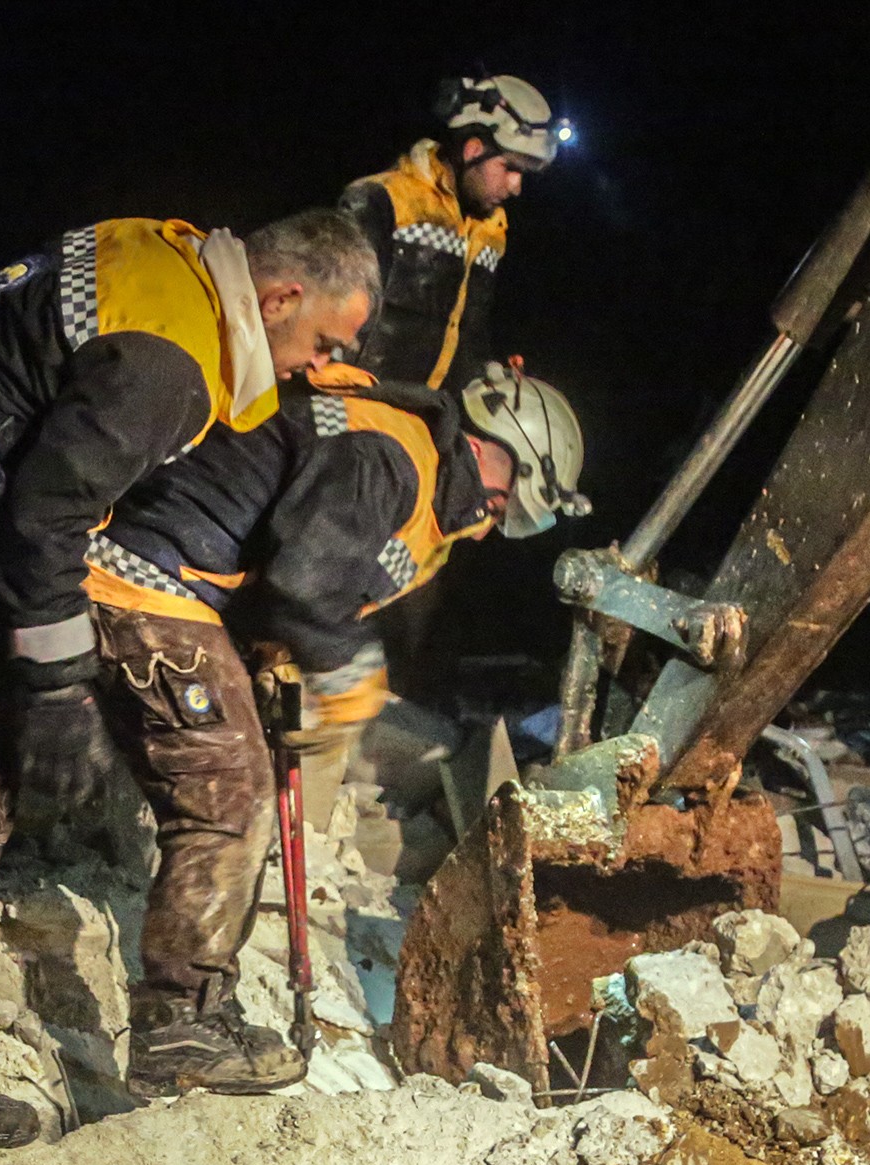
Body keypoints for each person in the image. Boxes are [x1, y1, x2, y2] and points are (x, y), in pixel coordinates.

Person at [0, 207, 376, 1146]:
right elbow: (48, 515)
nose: (321, 366)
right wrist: (56, 682)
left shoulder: (163, 261)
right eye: (324, 340)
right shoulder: (175, 358)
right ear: (279, 297)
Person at [74, 360, 574, 1097]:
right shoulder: (393, 455)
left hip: (183, 580)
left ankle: (194, 1002)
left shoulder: (417, 468)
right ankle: (180, 1023)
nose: (500, 518)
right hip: (151, 577)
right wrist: (347, 678)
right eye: (515, 499)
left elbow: (288, 558)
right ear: (513, 453)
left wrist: (277, 649)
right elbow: (307, 582)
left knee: (220, 767)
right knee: (232, 786)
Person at [338, 75, 559, 392]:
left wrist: (488, 374)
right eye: (511, 168)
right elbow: (333, 317)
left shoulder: (492, 229)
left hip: (432, 416)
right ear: (473, 149)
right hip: (363, 404)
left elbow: (470, 331)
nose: (516, 187)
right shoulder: (381, 200)